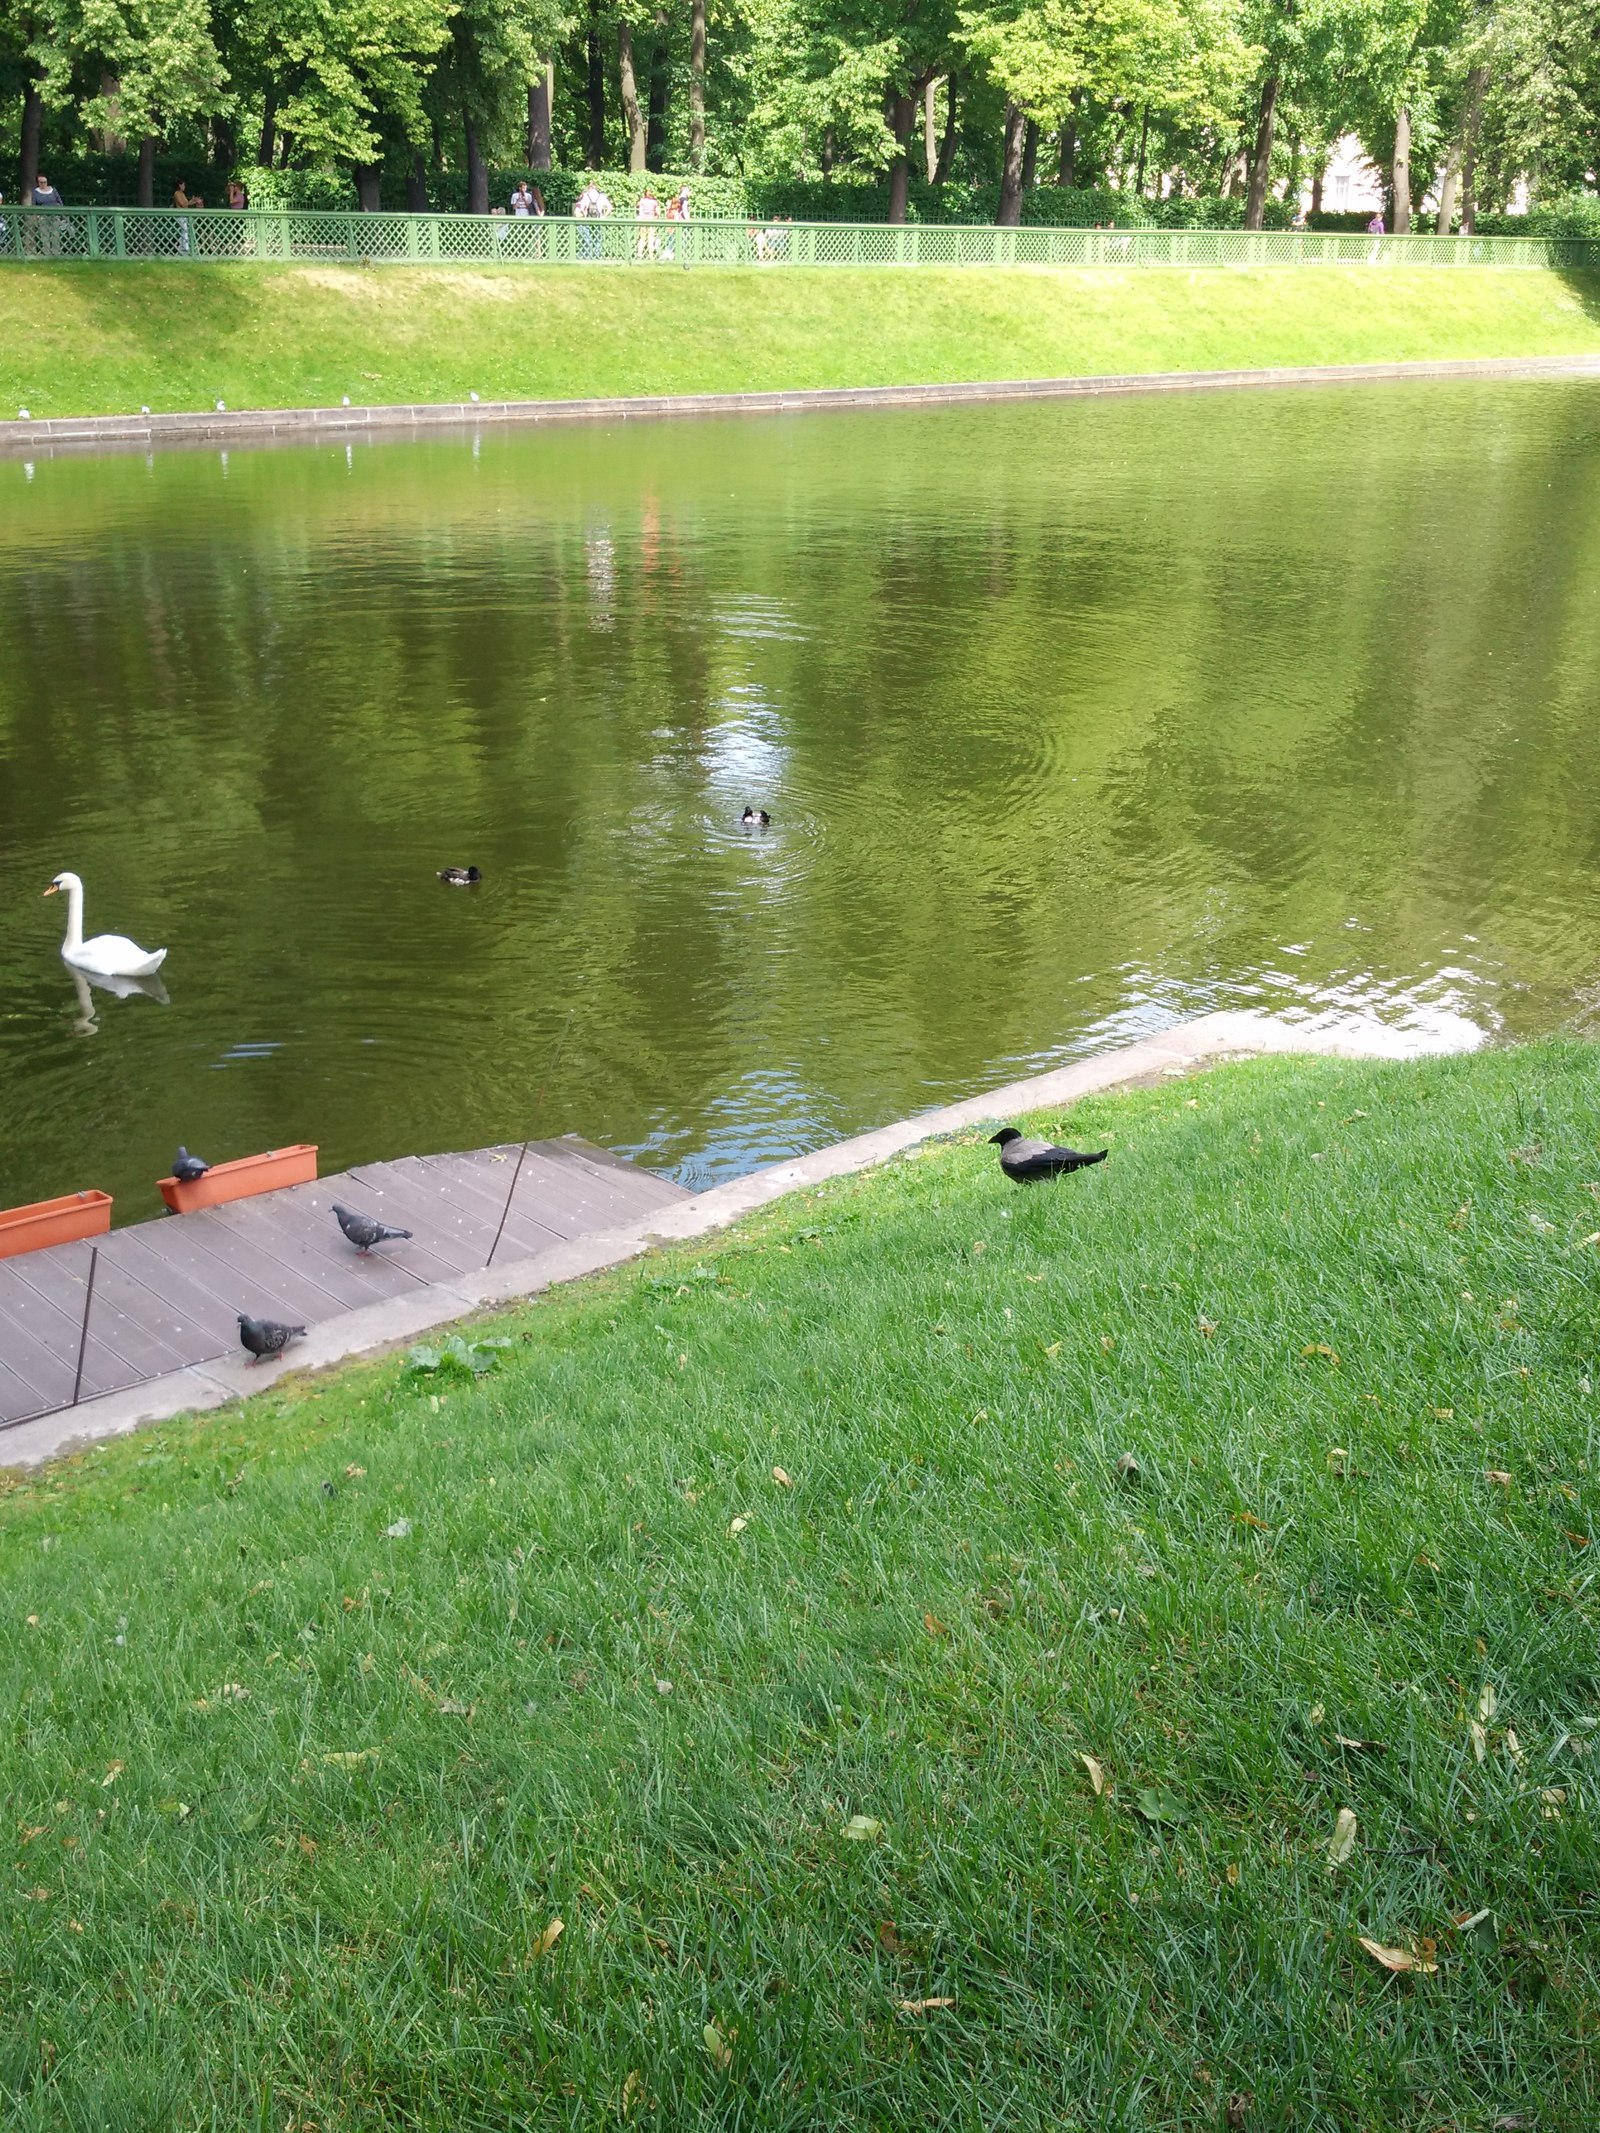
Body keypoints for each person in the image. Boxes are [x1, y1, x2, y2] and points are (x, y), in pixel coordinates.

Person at [574, 176, 612, 259]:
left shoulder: (586, 196)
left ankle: (587, 255)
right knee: (598, 237)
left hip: (588, 219)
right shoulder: (601, 196)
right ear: (596, 187)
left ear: (590, 188)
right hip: (598, 219)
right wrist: (604, 217)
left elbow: (581, 208)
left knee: (587, 238)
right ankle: (597, 255)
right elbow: (610, 207)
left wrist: (583, 214)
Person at [172, 177, 204, 254]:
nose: (184, 187)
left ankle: (184, 248)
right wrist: (191, 201)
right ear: (179, 185)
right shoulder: (176, 193)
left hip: (185, 215)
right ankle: (185, 249)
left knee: (186, 231)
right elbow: (183, 205)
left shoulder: (182, 194)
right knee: (184, 231)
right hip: (180, 215)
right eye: (183, 185)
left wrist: (194, 201)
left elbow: (187, 204)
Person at [634, 180, 662, 257]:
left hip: (643, 221)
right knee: (651, 238)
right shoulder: (655, 202)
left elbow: (639, 209)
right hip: (651, 221)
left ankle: (639, 254)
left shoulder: (642, 201)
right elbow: (658, 213)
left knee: (642, 238)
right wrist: (655, 217)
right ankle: (651, 255)